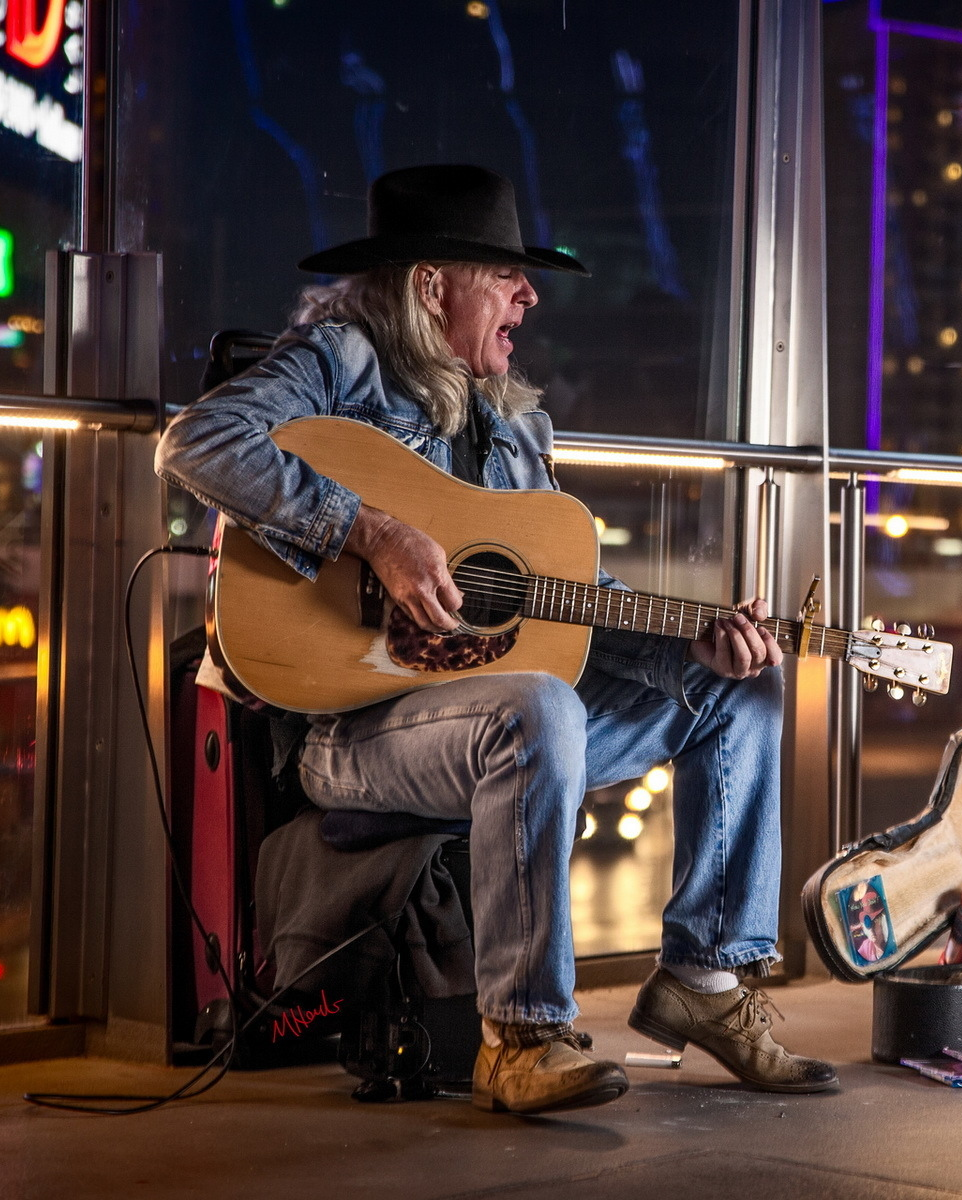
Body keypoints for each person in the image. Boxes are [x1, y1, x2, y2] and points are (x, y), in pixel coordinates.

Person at [155, 164, 837, 1115]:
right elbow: (198, 440)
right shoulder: (344, 358)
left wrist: (693, 649)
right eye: (503, 274)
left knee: (741, 693)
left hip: (503, 722)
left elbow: (570, 607)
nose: (530, 293)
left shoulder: (518, 429)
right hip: (352, 738)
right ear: (430, 283)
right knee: (539, 706)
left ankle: (707, 980)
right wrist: (372, 532)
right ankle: (521, 1038)